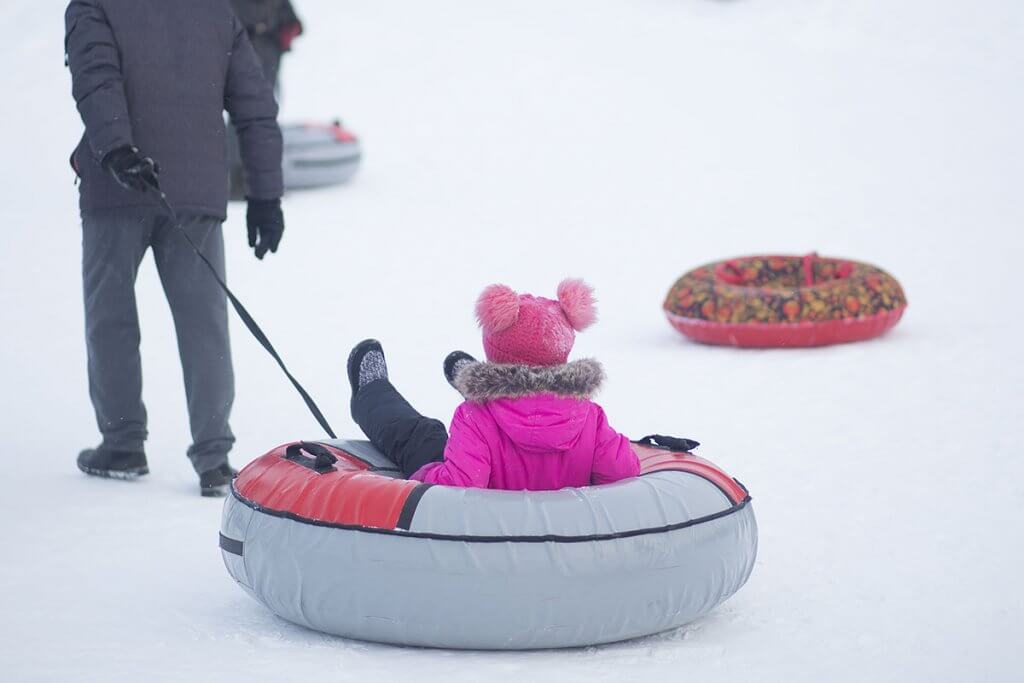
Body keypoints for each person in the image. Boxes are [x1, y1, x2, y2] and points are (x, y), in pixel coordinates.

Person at [65, 0, 286, 496]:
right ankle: (214, 457)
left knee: (111, 317)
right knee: (203, 322)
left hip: (114, 189)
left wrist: (119, 149)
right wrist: (265, 195)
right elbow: (255, 105)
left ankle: (122, 443)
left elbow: (96, 81)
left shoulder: (93, 7)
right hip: (195, 192)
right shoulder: (213, 11)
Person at [346, 280, 641, 490]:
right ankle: (492, 390)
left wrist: (418, 477)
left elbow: (460, 485)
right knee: (484, 425)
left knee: (423, 436)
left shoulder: (474, 417)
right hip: (560, 532)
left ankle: (372, 393)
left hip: (487, 524)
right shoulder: (589, 415)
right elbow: (622, 470)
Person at [228, 0, 303, 198]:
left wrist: (282, 30)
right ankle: (237, 180)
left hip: (267, 61)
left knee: (262, 119)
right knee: (246, 119)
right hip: (247, 63)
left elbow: (294, 23)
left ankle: (256, 181)